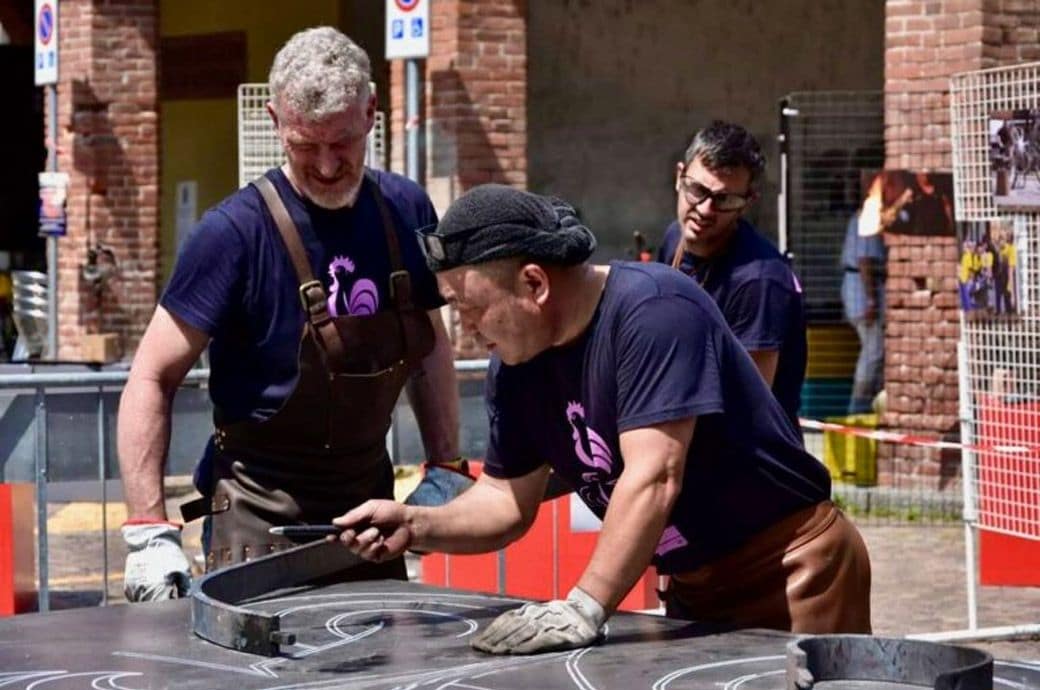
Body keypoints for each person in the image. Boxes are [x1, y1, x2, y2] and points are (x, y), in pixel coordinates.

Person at [334, 184, 872, 655]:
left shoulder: (655, 311)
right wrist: (415, 524)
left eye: (472, 307)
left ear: (534, 285)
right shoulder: (515, 366)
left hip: (790, 567)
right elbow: (504, 502)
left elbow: (655, 476)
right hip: (692, 583)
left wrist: (583, 607)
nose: (468, 330)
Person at [116, 27, 471, 602]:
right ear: (275, 120)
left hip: (371, 513)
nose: (328, 166)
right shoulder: (232, 233)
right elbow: (152, 376)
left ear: (372, 114)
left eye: (344, 142)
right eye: (307, 146)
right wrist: (147, 529)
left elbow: (428, 348)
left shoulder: (406, 209)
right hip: (257, 520)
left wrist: (446, 465)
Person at [656, 121, 807, 432]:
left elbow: (749, 403)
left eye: (724, 199)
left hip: (753, 464)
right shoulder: (675, 238)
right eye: (697, 190)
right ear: (678, 176)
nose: (706, 209)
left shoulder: (761, 280)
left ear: (747, 202)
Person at [841, 210, 886, 415]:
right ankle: (858, 404)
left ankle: (868, 403)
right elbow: (865, 261)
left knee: (874, 348)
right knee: (873, 349)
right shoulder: (866, 219)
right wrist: (871, 299)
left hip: (861, 286)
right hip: (861, 288)